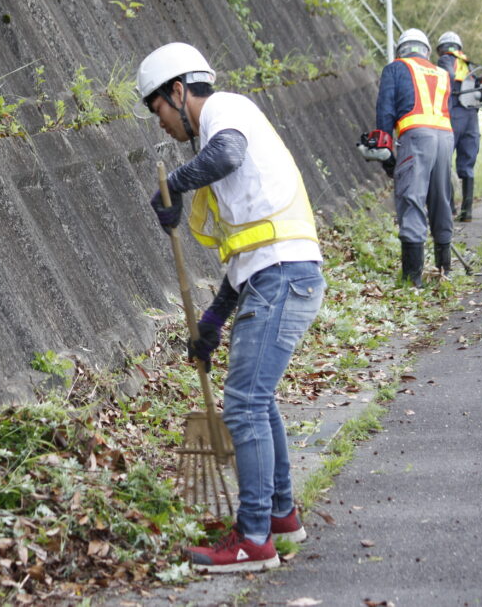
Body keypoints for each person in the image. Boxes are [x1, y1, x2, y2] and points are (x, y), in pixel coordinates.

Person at [139, 42, 325, 573]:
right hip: (276, 276)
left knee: (243, 404)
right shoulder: (225, 166)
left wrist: (171, 187)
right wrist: (211, 326)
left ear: (178, 91)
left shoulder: (227, 110)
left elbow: (225, 154)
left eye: (157, 109)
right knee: (258, 402)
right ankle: (280, 515)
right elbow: (243, 260)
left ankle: (252, 539)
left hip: (284, 278)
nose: (160, 124)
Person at [372, 28, 454, 285]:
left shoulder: (396, 68)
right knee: (441, 198)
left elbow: (385, 110)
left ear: (401, 49)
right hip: (445, 138)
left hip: (416, 136)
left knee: (412, 197)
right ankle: (444, 269)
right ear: (427, 51)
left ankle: (412, 279)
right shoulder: (442, 73)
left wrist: (385, 151)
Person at [436, 31, 479, 223]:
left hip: (453, 114)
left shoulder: (446, 59)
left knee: (444, 161)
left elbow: (447, 79)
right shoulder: (468, 64)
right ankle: (467, 212)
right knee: (467, 165)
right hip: (471, 118)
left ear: (441, 49)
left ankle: (450, 209)